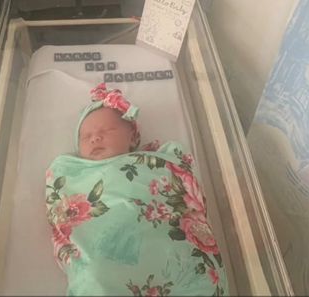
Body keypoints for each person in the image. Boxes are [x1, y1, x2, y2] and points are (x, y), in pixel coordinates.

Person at [46, 83, 229, 296]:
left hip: (164, 244)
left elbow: (185, 194)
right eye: (86, 136)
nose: (95, 137)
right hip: (106, 255)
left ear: (132, 137)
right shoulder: (75, 174)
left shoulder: (154, 163)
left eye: (107, 131)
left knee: (192, 268)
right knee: (95, 273)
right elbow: (62, 210)